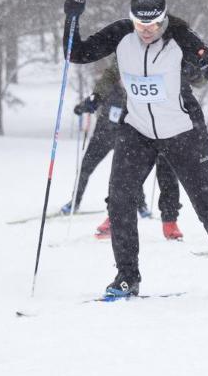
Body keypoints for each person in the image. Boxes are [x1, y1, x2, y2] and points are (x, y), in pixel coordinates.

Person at [63, 0, 208, 301]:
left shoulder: (180, 36)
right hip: (138, 131)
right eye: (140, 23)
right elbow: (75, 54)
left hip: (184, 132)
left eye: (155, 23)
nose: (147, 30)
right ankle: (126, 277)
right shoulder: (120, 34)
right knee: (119, 201)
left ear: (164, 18)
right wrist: (71, 18)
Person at [61, 57, 186, 240]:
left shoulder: (138, 94)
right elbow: (94, 98)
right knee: (87, 168)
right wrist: (82, 108)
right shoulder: (109, 86)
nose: (123, 80)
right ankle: (75, 202)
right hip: (102, 137)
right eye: (121, 77)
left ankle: (143, 208)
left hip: (126, 138)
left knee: (132, 173)